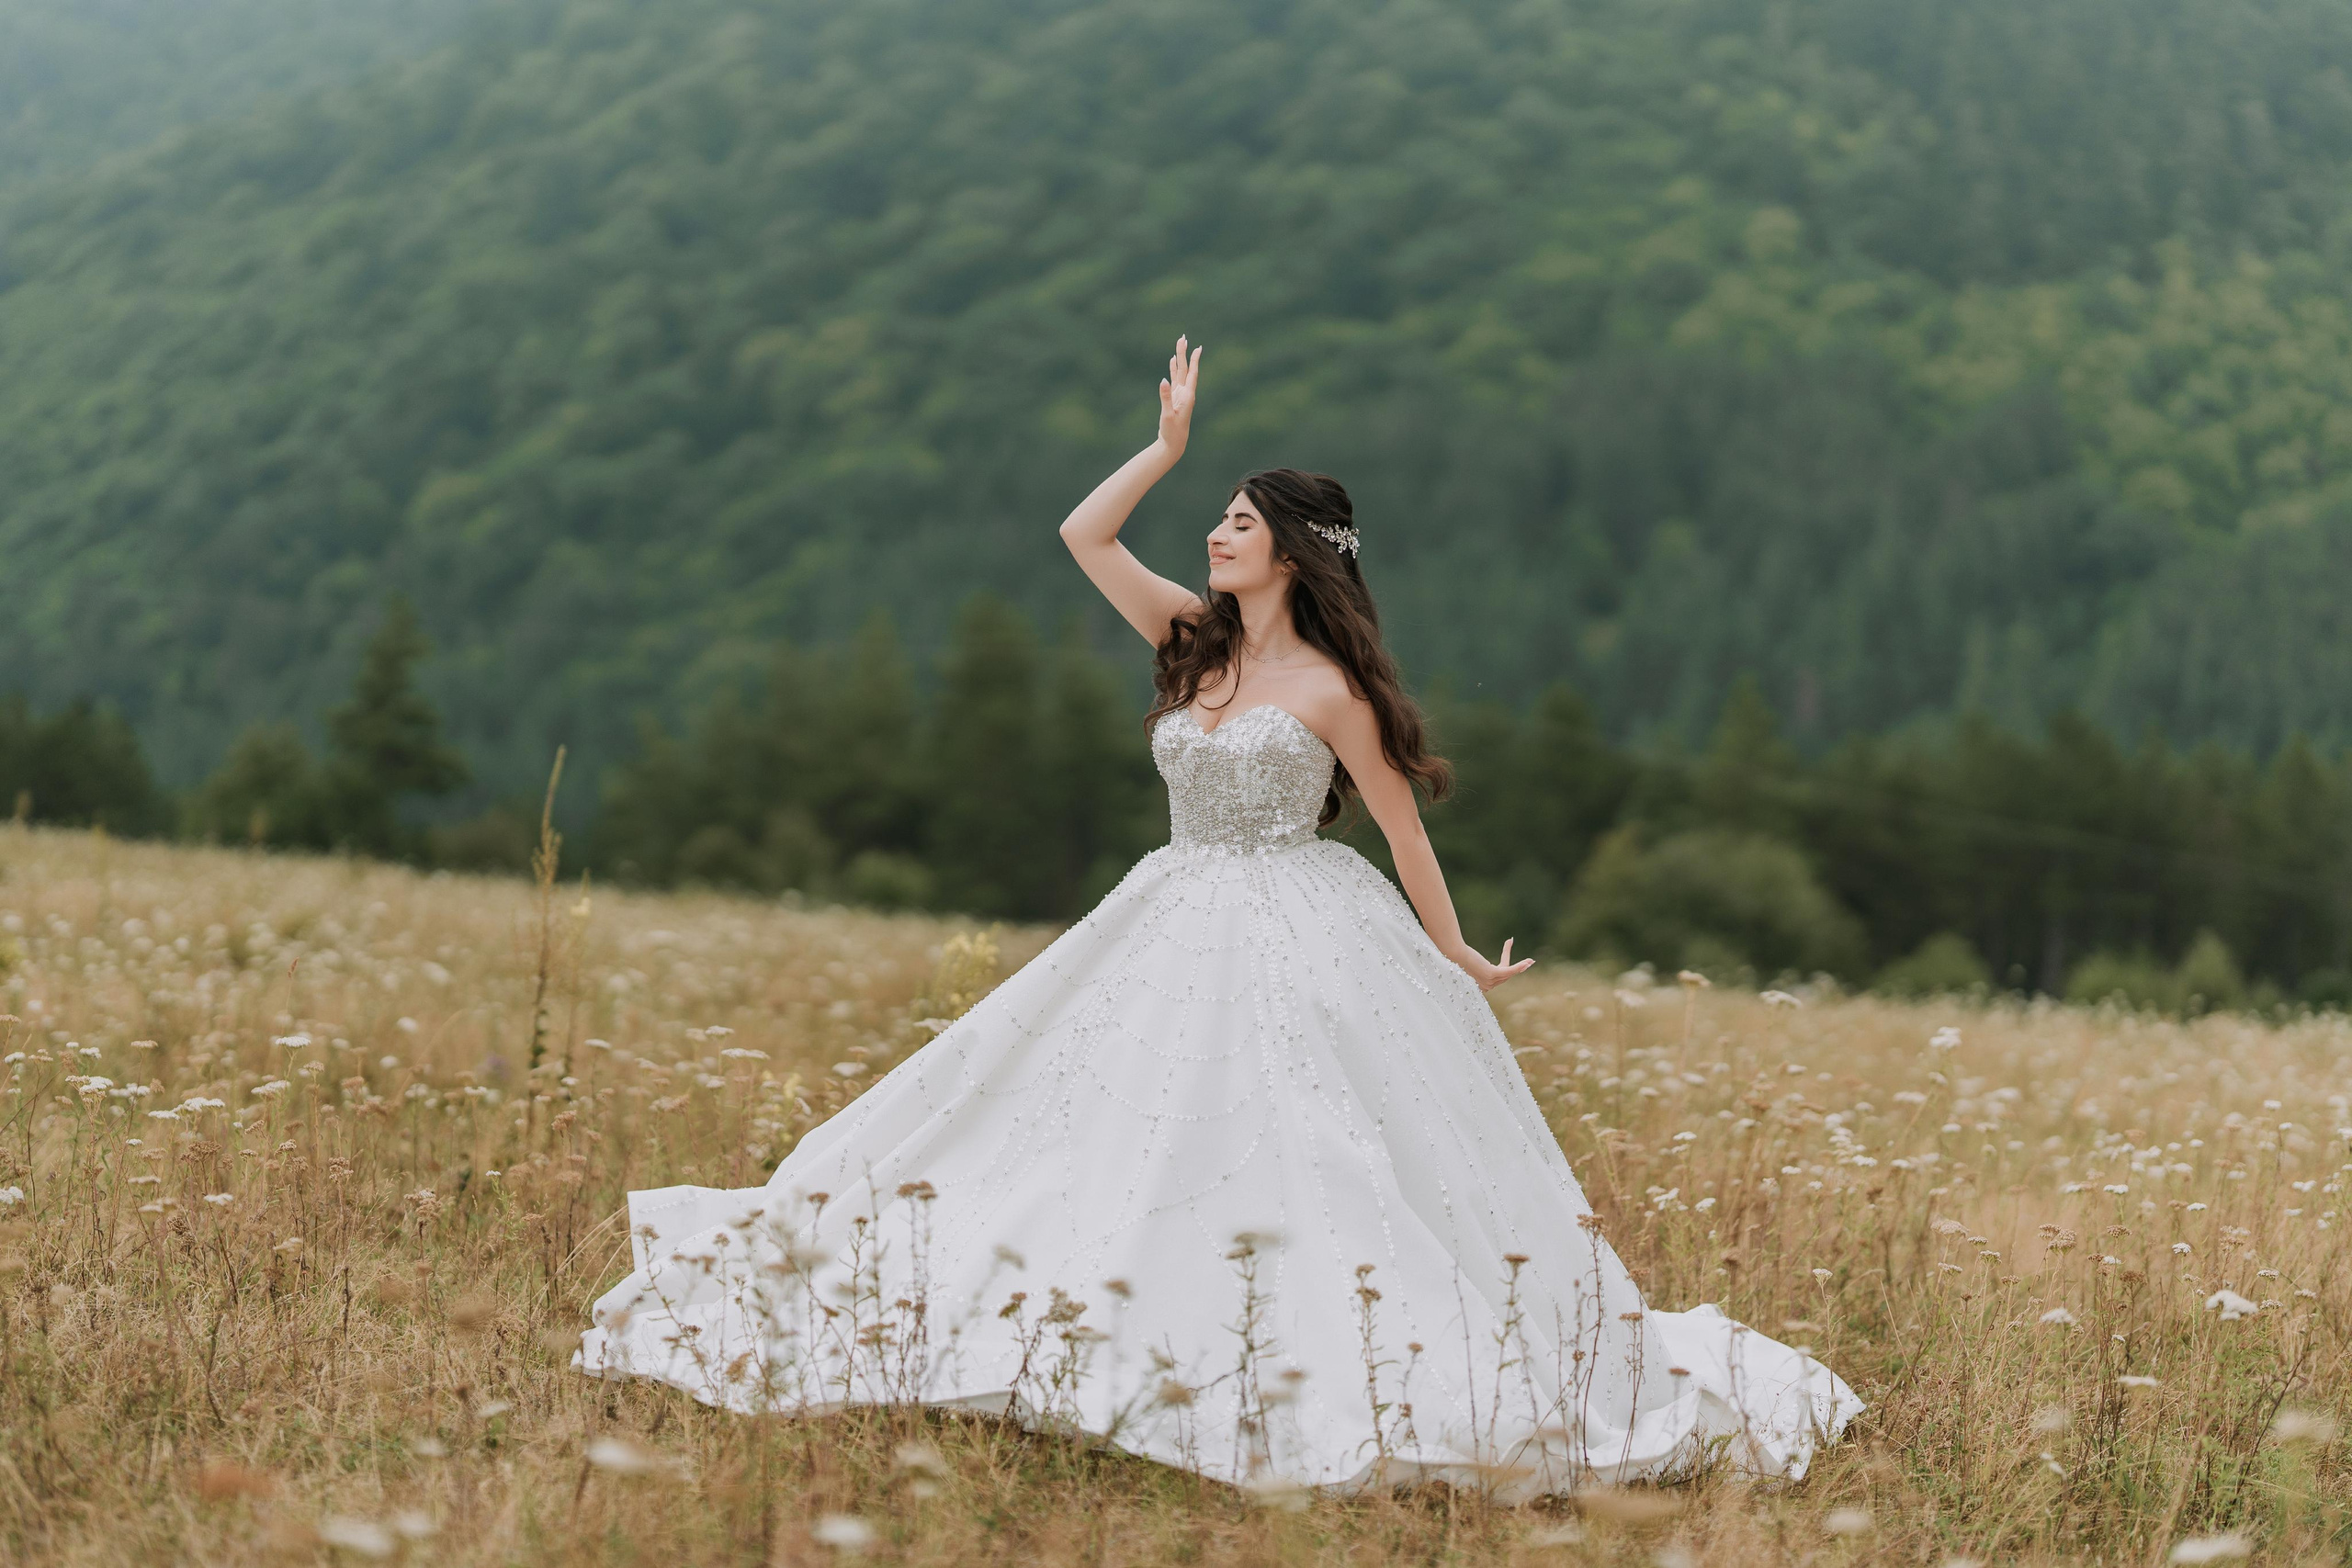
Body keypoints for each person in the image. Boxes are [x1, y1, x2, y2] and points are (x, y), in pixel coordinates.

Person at [579, 338, 1859, 1495]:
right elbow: (1083, 535)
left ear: (1294, 551)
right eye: (1218, 518)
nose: (1215, 535)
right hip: (1170, 909)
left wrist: (1458, 957)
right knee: (1071, 1115)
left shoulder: (1334, 689)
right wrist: (1167, 447)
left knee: (1303, 1142)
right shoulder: (1193, 640)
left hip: (1300, 928)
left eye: (1237, 523)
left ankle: (1282, 1351)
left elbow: (1405, 830)